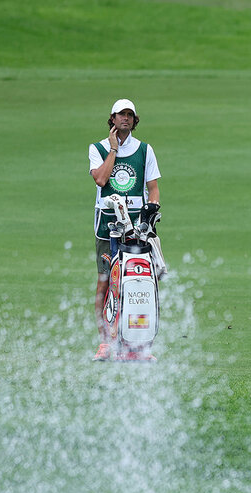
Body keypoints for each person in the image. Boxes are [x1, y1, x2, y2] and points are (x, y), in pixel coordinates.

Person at [89, 98, 161, 361]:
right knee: (105, 282)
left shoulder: (145, 150)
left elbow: (153, 188)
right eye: (121, 114)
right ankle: (106, 343)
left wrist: (152, 209)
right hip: (107, 226)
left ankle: (138, 346)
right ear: (112, 118)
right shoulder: (97, 148)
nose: (126, 119)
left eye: (130, 115)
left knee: (139, 284)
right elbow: (101, 179)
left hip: (138, 229)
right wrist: (113, 149)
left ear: (134, 119)